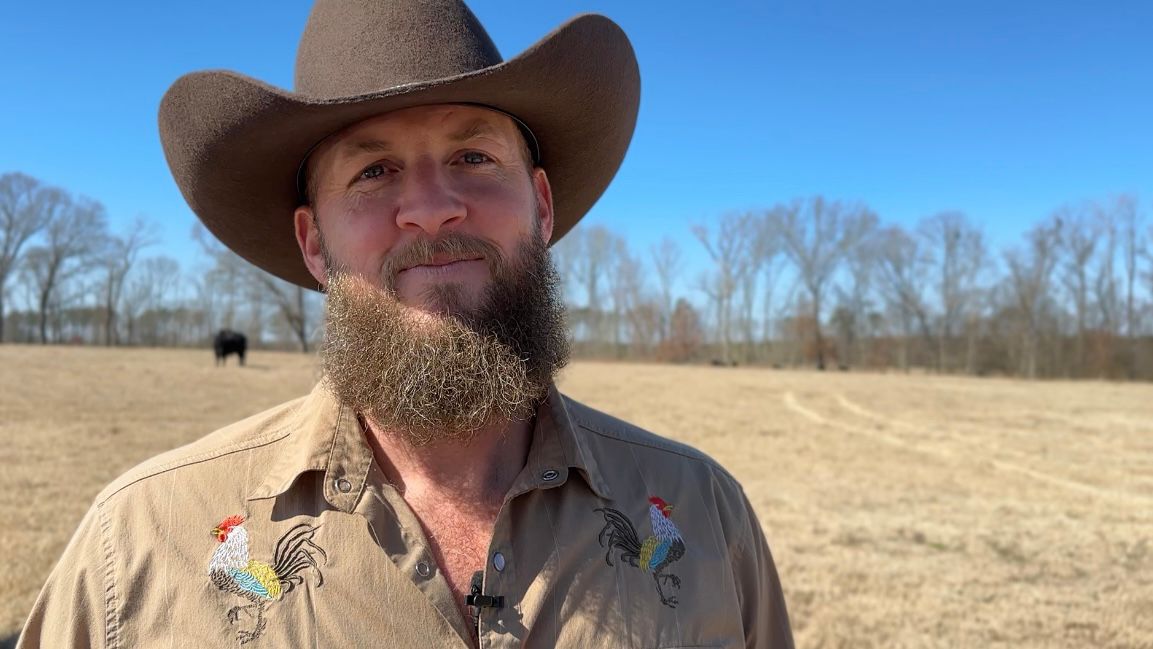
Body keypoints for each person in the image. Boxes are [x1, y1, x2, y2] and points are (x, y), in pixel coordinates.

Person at [18, 1, 793, 647]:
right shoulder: (139, 546)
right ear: (314, 242)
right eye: (373, 170)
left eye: (474, 157)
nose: (430, 206)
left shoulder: (703, 513)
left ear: (543, 206)